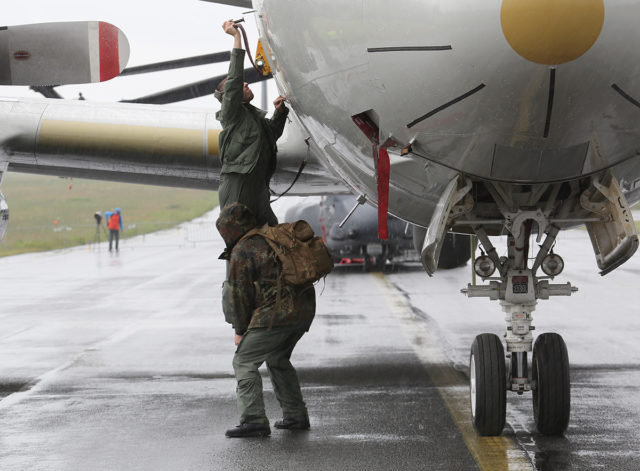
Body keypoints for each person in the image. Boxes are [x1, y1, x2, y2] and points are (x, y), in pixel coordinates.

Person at [216, 203, 316, 438]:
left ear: (230, 229)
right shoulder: (273, 237)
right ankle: (295, 415)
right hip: (303, 311)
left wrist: (240, 331)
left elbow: (239, 296)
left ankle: (253, 420)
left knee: (244, 361)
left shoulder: (243, 249)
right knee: (277, 357)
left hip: (277, 315)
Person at [215, 19, 289, 227]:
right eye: (240, 85)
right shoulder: (232, 115)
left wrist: (279, 113)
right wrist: (236, 37)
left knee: (273, 236)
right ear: (231, 95)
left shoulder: (254, 118)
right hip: (238, 188)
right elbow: (235, 78)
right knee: (238, 241)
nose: (245, 83)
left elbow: (272, 134)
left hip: (258, 188)